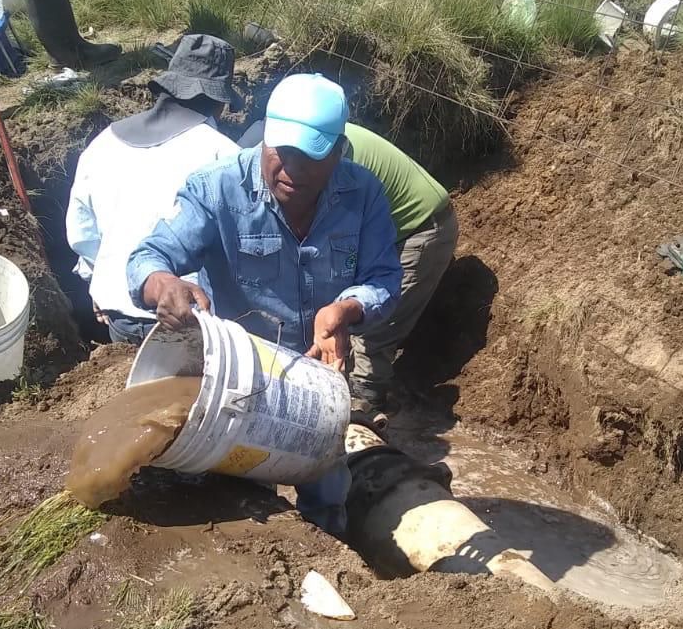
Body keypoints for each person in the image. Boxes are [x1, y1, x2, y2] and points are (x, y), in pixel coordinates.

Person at [127, 73, 402, 535]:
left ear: (338, 153)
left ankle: (334, 553)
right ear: (265, 138)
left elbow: (383, 280)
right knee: (246, 501)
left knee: (327, 489)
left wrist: (345, 310)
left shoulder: (363, 194)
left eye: (309, 157)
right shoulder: (217, 189)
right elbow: (147, 258)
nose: (290, 169)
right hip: (237, 379)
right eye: (281, 152)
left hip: (320, 378)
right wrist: (164, 284)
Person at [237, 117, 458, 414]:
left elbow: (332, 246)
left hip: (420, 224)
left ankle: (364, 406)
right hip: (395, 214)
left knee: (374, 326)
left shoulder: (329, 161)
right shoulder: (307, 140)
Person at [66, 34, 241, 345]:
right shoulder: (223, 155)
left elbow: (82, 234)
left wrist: (104, 277)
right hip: (187, 318)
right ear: (219, 102)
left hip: (118, 313)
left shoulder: (103, 143)